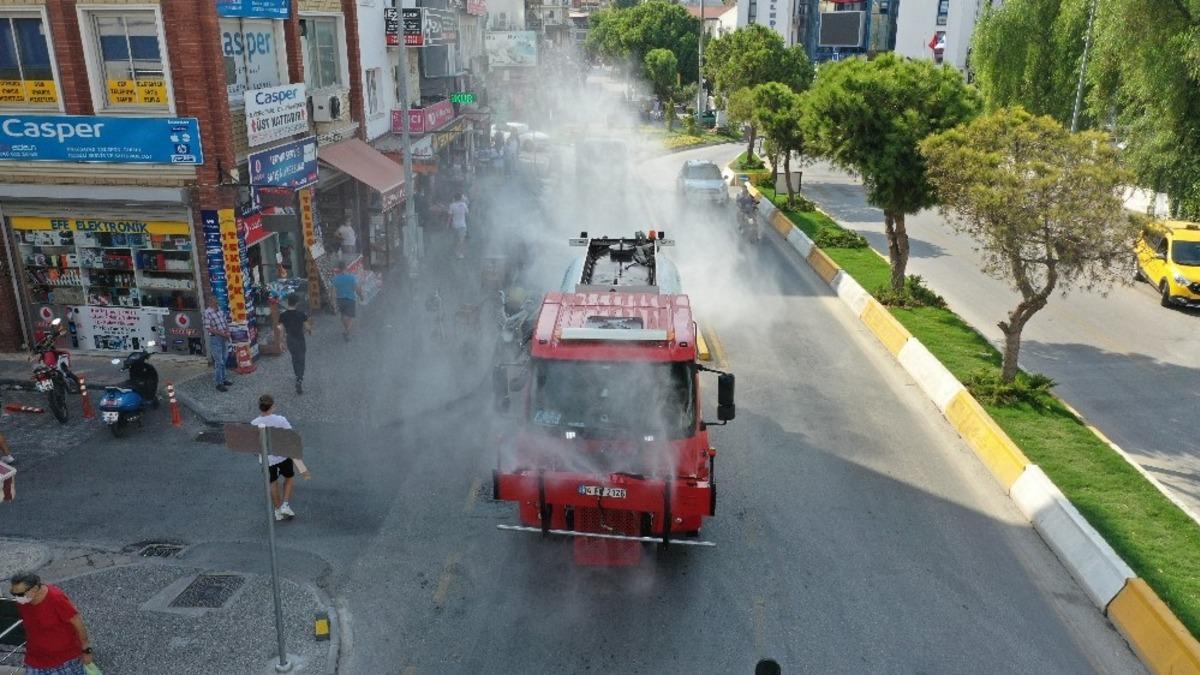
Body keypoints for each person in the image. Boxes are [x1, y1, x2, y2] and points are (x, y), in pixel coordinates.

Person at [9, 571, 93, 675]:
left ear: (34, 589)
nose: (16, 598)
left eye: (19, 594)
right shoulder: (24, 602)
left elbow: (77, 623)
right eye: (13, 593)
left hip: (65, 658)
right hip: (36, 657)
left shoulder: (56, 599)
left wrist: (86, 650)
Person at [251, 395, 296, 521]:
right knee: (289, 478)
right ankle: (285, 505)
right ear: (272, 407)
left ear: (260, 407)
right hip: (283, 456)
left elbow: (254, 445)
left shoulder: (254, 423)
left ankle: (277, 510)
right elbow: (290, 435)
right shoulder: (281, 420)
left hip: (267, 460)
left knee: (272, 482)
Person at [278, 294, 311, 395]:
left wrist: (281, 342)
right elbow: (307, 327)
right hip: (300, 339)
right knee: (301, 359)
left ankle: (297, 375)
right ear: (297, 303)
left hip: (290, 339)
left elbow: (281, 330)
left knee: (294, 358)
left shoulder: (282, 315)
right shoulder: (301, 314)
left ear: (288, 302)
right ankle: (299, 379)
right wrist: (309, 330)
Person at [202, 296, 233, 392]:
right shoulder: (207, 313)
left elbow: (225, 322)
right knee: (219, 361)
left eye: (217, 301)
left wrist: (227, 332)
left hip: (224, 337)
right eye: (215, 301)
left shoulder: (220, 310)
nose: (217, 302)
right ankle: (218, 383)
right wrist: (223, 334)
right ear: (210, 302)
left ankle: (223, 379)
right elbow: (209, 328)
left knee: (224, 358)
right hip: (216, 338)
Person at [331, 266, 362, 341]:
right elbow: (356, 288)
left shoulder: (335, 279)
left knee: (343, 317)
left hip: (340, 300)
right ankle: (347, 330)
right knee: (350, 317)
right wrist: (361, 296)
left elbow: (333, 292)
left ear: (338, 270)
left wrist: (333, 302)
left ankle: (346, 330)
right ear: (346, 269)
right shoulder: (351, 278)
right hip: (350, 300)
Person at [448, 192, 469, 259]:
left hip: (455, 225)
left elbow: (450, 216)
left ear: (454, 198)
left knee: (456, 239)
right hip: (462, 225)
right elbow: (467, 213)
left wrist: (448, 224)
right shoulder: (464, 205)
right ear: (460, 198)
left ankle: (456, 252)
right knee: (461, 239)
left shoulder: (452, 205)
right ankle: (460, 253)